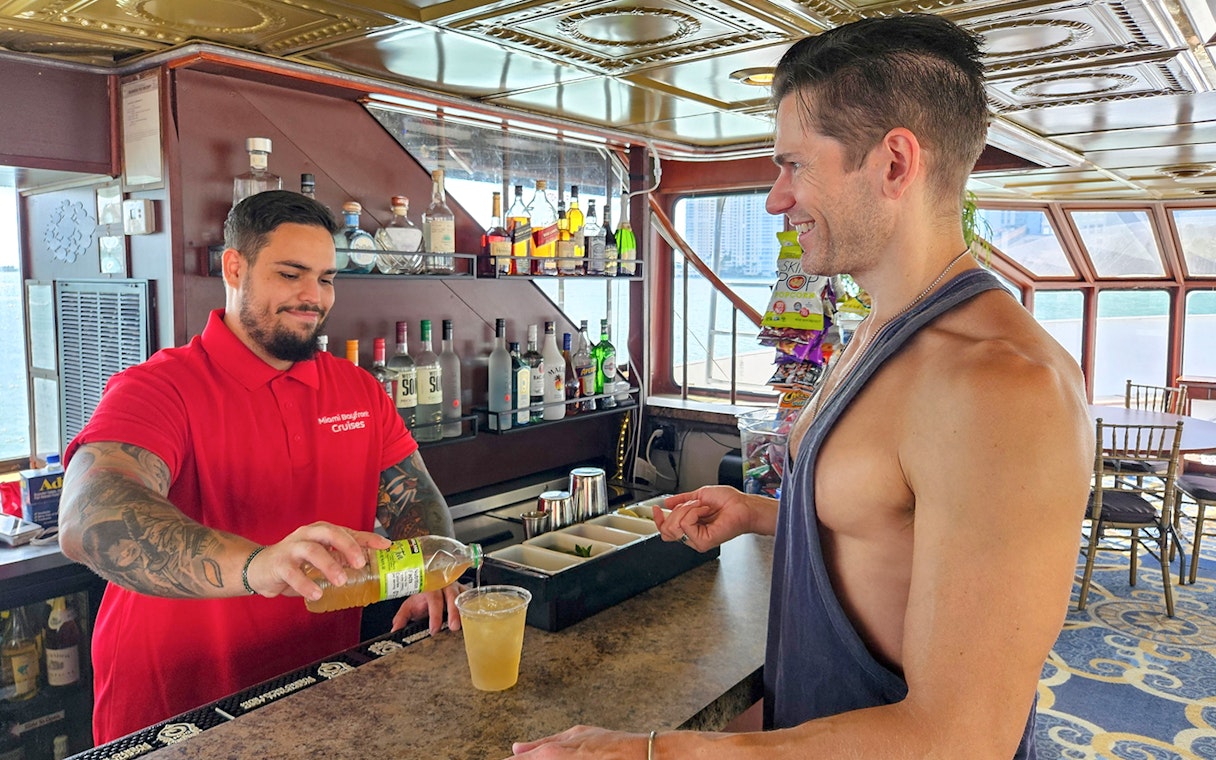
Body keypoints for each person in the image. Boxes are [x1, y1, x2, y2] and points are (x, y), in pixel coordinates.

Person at [510, 14, 1091, 760]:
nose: (776, 199)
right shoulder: (880, 329)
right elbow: (891, 525)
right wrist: (761, 513)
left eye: (794, 165)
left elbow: (960, 737)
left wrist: (652, 752)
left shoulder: (1000, 388)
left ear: (893, 164)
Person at [58, 190, 463, 744]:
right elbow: (90, 519)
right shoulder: (159, 387)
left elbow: (414, 495)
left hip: (320, 691)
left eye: (325, 279)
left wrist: (429, 571)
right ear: (233, 267)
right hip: (177, 714)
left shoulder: (358, 390)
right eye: (291, 274)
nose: (312, 296)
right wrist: (259, 567)